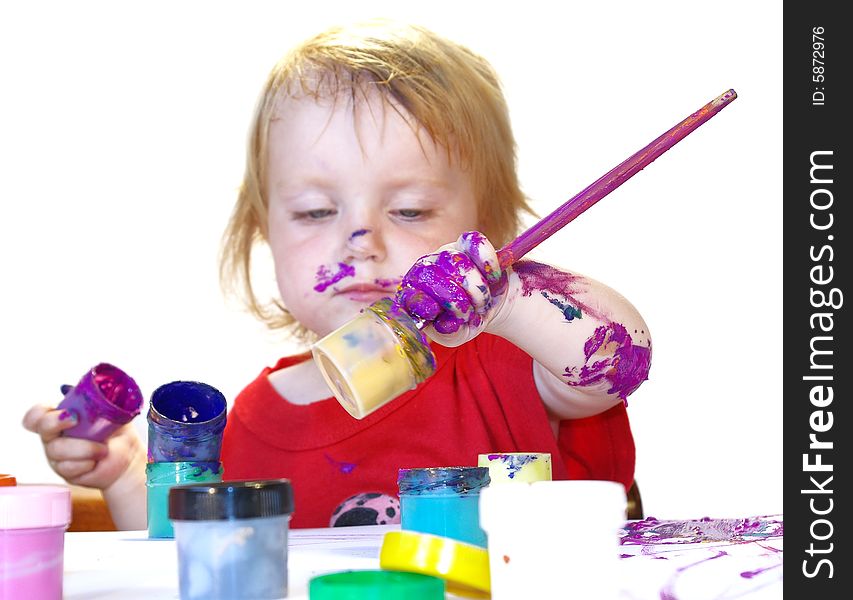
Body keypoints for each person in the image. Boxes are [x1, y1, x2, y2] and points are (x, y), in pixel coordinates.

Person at [23, 20, 651, 530]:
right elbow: (197, 555)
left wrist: (511, 297)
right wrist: (126, 471)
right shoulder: (252, 418)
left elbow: (622, 357)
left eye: (410, 210)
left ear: (484, 234)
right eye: (316, 212)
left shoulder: (512, 364)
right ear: (265, 230)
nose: (362, 242)